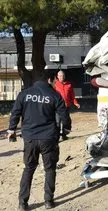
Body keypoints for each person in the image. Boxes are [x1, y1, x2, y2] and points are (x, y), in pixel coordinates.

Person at [7, 71, 71, 210]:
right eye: (54, 81)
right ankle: (48, 201)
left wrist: (11, 129)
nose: (55, 83)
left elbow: (15, 112)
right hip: (48, 138)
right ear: (49, 80)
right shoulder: (54, 95)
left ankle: (22, 203)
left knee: (29, 169)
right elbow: (64, 115)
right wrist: (66, 129)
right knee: (50, 169)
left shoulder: (24, 94)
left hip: (29, 138)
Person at [55, 70, 79, 140]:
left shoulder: (69, 84)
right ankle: (56, 137)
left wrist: (75, 103)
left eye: (63, 76)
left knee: (66, 122)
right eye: (60, 76)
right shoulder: (55, 84)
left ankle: (64, 135)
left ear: (64, 76)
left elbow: (72, 95)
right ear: (57, 76)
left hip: (66, 106)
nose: (61, 77)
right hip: (58, 107)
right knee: (57, 122)